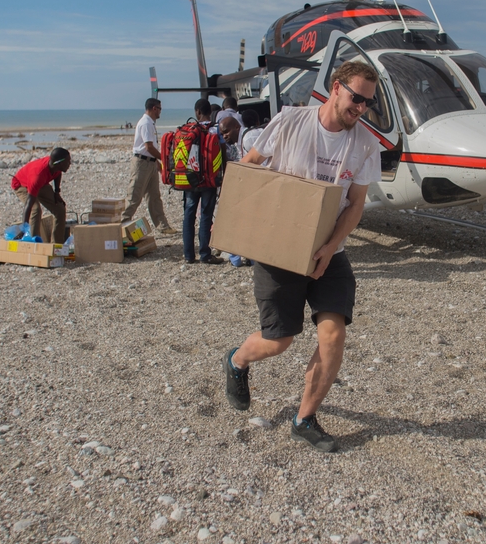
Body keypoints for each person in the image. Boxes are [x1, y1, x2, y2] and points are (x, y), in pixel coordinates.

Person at [222, 60, 381, 453]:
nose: (360, 108)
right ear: (335, 87)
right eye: (356, 98)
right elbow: (249, 168)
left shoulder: (365, 143)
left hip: (331, 251)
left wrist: (330, 248)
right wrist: (242, 224)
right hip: (280, 250)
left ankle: (304, 419)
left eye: (368, 103)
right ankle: (237, 360)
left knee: (333, 336)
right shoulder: (291, 121)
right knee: (280, 341)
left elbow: (356, 204)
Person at [122, 98, 176, 234]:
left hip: (149, 163)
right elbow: (148, 147)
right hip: (142, 163)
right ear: (154, 108)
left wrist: (157, 164)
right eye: (159, 109)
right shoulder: (146, 123)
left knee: (154, 196)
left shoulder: (150, 123)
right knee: (135, 195)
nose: (160, 112)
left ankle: (162, 225)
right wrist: (164, 159)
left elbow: (150, 149)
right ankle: (122, 223)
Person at [182, 98, 222, 264]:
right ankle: (205, 254)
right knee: (206, 215)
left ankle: (188, 255)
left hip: (190, 178)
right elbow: (222, 152)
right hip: (209, 180)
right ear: (210, 113)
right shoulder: (215, 129)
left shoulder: (189, 130)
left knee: (189, 215)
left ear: (197, 112)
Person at [11, 147, 71, 243]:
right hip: (22, 184)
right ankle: (36, 243)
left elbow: (58, 173)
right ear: (59, 163)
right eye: (68, 162)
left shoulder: (56, 166)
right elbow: (29, 203)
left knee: (59, 209)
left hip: (42, 183)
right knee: (36, 210)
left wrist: (56, 192)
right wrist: (24, 228)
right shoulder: (37, 176)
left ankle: (56, 246)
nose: (70, 164)